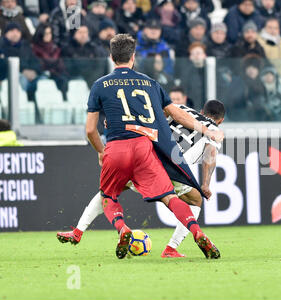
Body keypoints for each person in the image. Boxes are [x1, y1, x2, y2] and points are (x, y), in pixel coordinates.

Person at [59, 34, 222, 259]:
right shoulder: (150, 83)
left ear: (111, 57)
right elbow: (177, 114)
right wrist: (207, 130)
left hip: (116, 148)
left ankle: (111, 230)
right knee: (171, 198)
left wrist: (101, 151)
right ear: (133, 57)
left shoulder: (100, 85)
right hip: (147, 150)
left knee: (108, 194)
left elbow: (89, 130)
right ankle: (196, 233)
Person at [57, 100, 226, 258]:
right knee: (195, 201)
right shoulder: (215, 130)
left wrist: (119, 125)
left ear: (202, 111)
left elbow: (150, 117)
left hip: (147, 155)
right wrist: (205, 184)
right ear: (220, 120)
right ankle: (171, 248)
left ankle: (78, 231)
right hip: (174, 167)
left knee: (108, 191)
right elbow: (210, 154)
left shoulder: (181, 109)